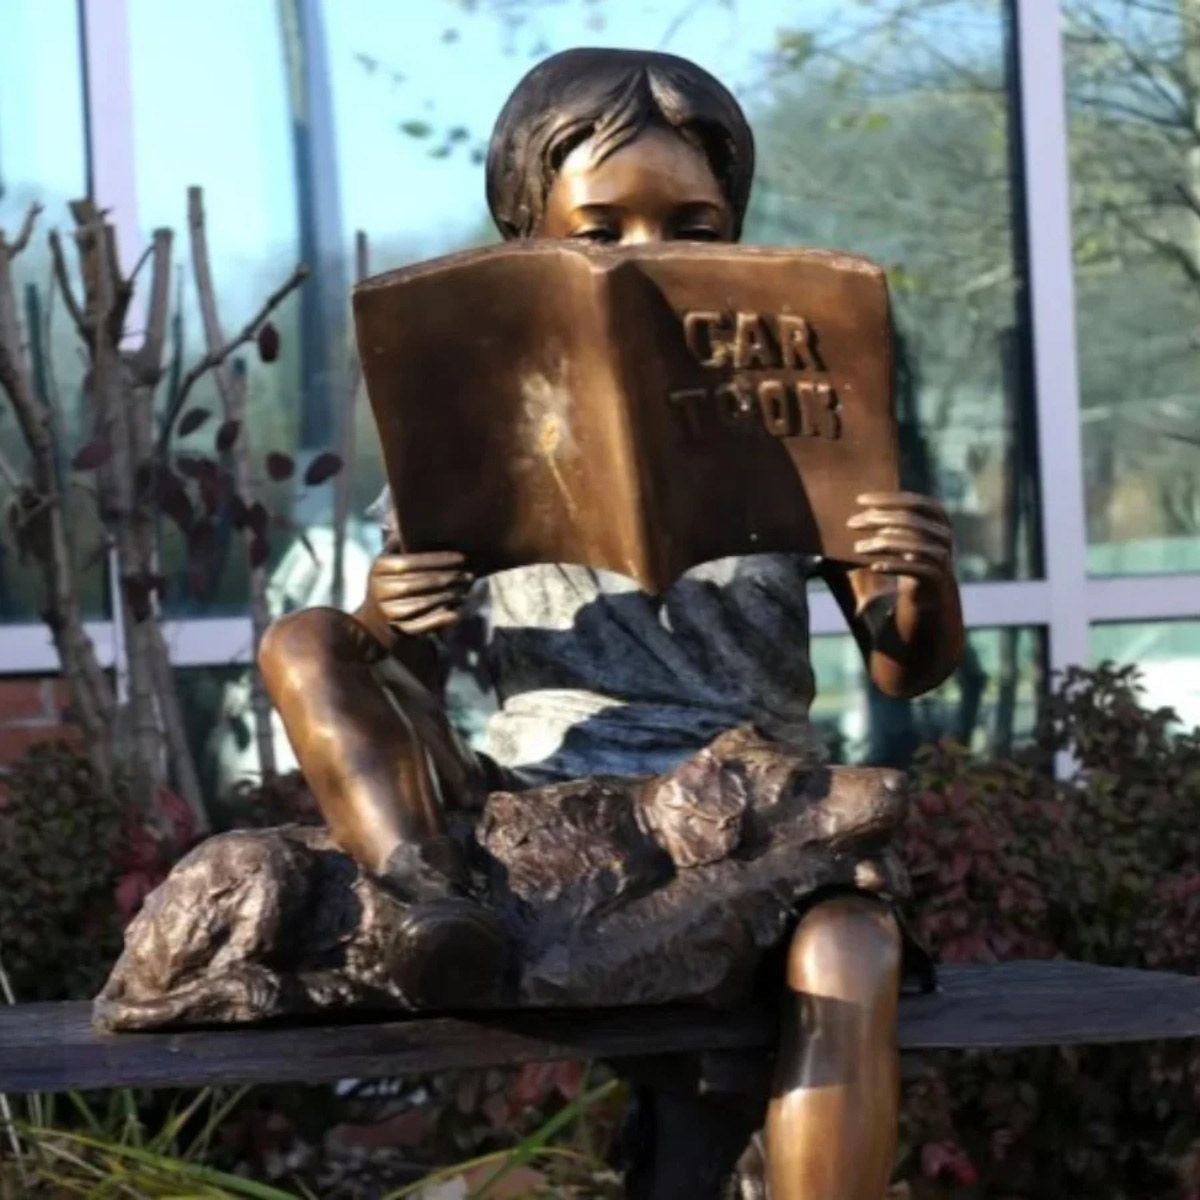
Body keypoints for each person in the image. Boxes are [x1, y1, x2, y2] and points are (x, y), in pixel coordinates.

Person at [260, 47, 964, 1200]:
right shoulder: (481, 427)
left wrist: (922, 582)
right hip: (539, 803)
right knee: (305, 638)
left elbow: (907, 672)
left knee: (851, 952)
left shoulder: (798, 431)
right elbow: (406, 683)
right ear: (528, 236)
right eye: (602, 232)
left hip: (747, 809)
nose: (649, 256)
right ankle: (422, 897)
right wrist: (389, 620)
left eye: (692, 222)